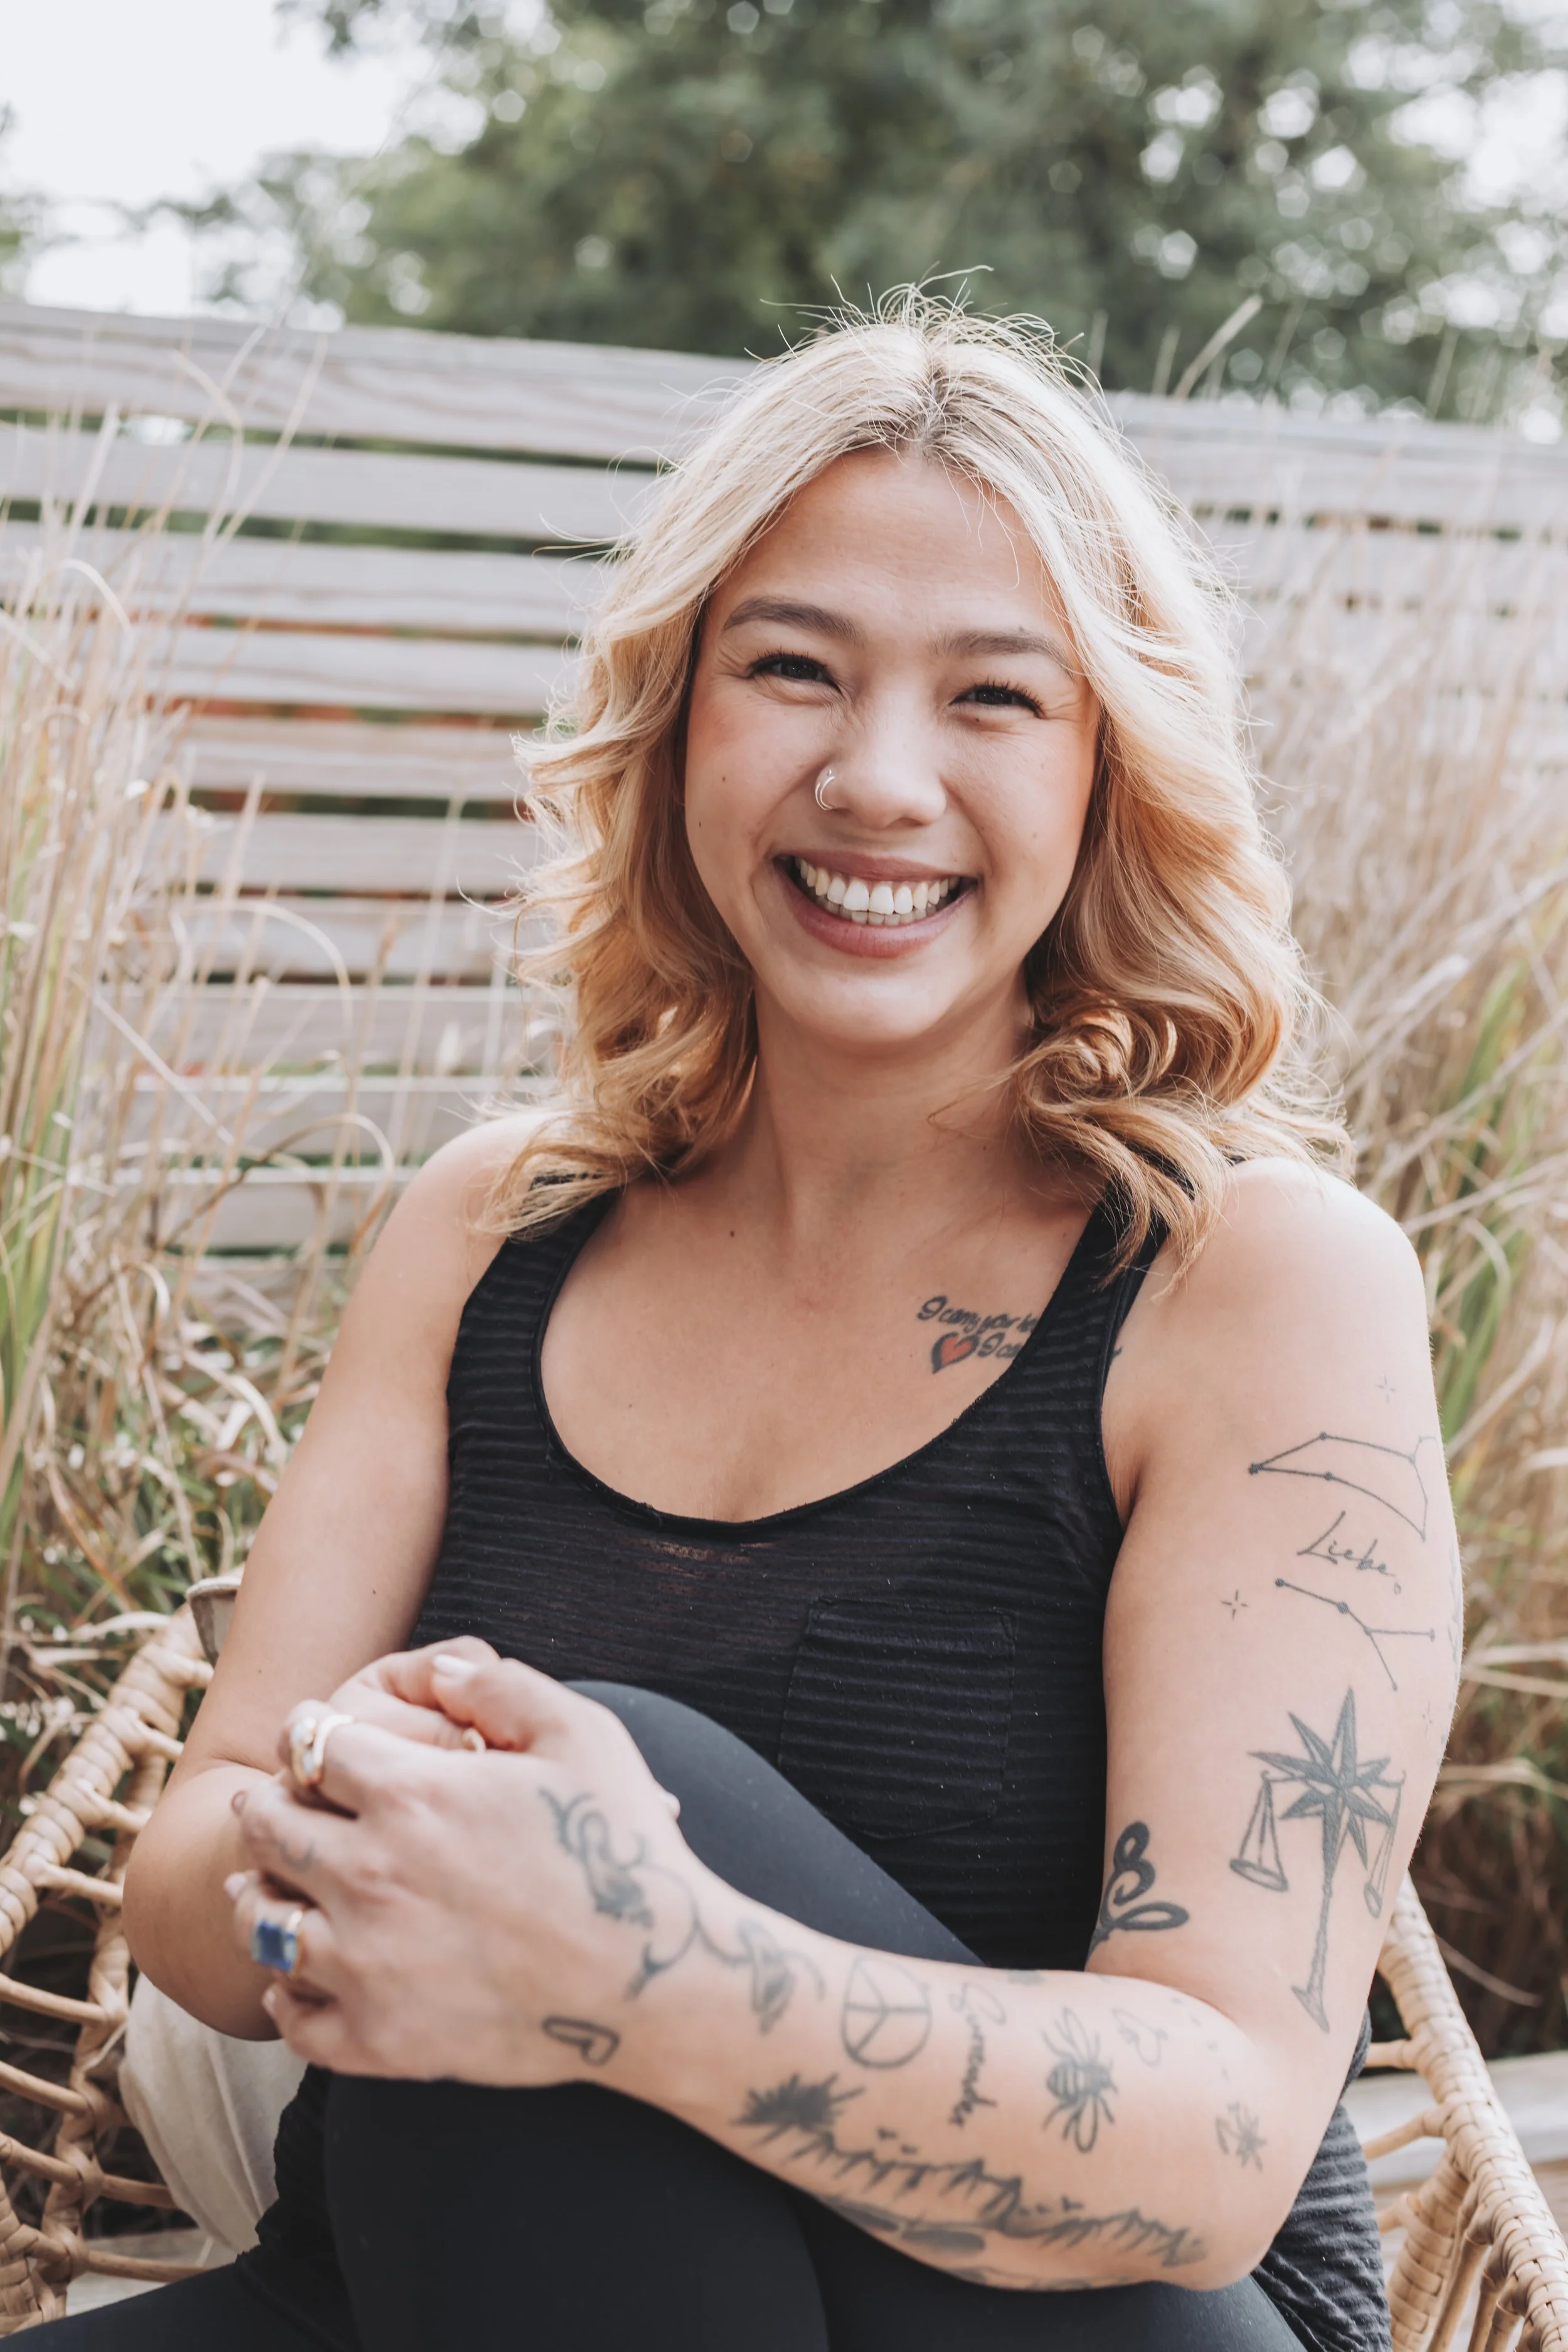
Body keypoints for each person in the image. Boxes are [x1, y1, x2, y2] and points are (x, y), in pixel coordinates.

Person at [50, 300, 1455, 2351]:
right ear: (677, 717)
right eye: (790, 667)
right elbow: (199, 1853)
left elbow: (1222, 2145)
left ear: (1107, 771)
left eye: (993, 696)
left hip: (1085, 2316)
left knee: (638, 1779)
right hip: (450, 2268)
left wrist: (624, 1957)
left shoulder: (1246, 1281)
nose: (875, 780)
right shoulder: (488, 1231)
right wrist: (380, 1865)